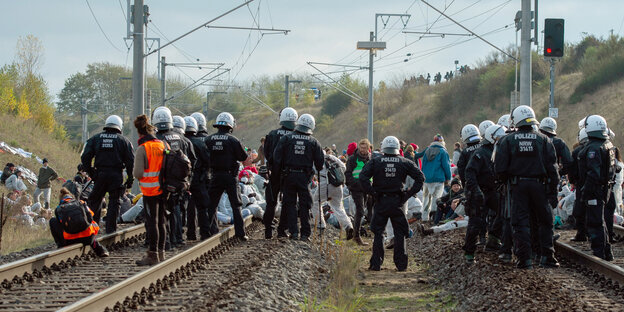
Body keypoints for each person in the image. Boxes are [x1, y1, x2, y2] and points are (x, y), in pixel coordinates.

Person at [494, 105, 559, 269]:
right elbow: (553, 168)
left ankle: (525, 259)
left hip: (518, 186)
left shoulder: (507, 140)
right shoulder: (544, 139)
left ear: (515, 120)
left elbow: (499, 168)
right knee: (545, 221)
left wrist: (506, 182)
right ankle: (547, 257)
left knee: (520, 222)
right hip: (540, 186)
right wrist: (552, 192)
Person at [359, 136, 424, 271]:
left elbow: (362, 177)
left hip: (381, 200)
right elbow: (420, 178)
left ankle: (376, 264)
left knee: (378, 233)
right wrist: (407, 195)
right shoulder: (404, 162)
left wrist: (373, 192)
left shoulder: (375, 161)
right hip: (397, 201)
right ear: (398, 148)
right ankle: (401, 265)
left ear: (383, 148)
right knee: (399, 233)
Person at [273, 114, 324, 241]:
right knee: (305, 204)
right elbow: (319, 163)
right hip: (304, 177)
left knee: (290, 204)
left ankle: (293, 232)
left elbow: (276, 158)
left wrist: (278, 174)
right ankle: (305, 234)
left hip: (288, 175)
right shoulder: (313, 142)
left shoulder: (286, 138)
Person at [81, 115, 135, 234]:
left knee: (95, 200)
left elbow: (85, 156)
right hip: (116, 175)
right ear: (119, 127)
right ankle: (111, 230)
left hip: (100, 174)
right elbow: (131, 161)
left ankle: (92, 228)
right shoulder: (124, 141)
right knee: (114, 202)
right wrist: (130, 179)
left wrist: (91, 172)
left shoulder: (95, 139)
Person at [153, 107, 195, 248]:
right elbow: (192, 160)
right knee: (176, 208)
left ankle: (163, 241)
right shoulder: (183, 139)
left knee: (161, 210)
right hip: (179, 182)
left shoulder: (156, 139)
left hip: (161, 181)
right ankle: (177, 238)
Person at [463, 124, 506, 263]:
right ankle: (469, 253)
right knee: (475, 223)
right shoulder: (480, 153)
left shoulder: (497, 151)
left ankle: (493, 238)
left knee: (504, 213)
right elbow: (470, 173)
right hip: (479, 192)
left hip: (493, 191)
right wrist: (475, 191)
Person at [205, 112, 250, 240]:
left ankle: (211, 231)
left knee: (212, 205)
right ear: (230, 126)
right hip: (230, 176)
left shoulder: (208, 140)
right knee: (236, 205)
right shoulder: (233, 140)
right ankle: (240, 234)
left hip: (215, 175)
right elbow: (244, 158)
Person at [578, 115, 616, 261]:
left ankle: (599, 252)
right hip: (605, 188)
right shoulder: (607, 144)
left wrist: (586, 191)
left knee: (595, 221)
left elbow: (593, 173)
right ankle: (606, 250)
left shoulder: (594, 148)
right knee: (600, 220)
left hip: (595, 190)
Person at [133, 114, 167, 265]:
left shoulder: (143, 148)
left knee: (152, 222)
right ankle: (161, 253)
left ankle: (152, 255)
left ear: (140, 133)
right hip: (164, 189)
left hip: (149, 190)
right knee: (162, 221)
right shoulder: (163, 145)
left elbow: (138, 173)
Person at [262, 107, 298, 239]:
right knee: (288, 202)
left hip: (274, 173)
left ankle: (268, 230)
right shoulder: (296, 135)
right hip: (290, 174)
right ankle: (282, 230)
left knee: (271, 202)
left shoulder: (272, 134)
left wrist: (272, 166)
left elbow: (267, 152)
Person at [49, 188, 109, 257]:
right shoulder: (82, 203)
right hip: (88, 238)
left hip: (69, 240)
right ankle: (100, 250)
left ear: (61, 200)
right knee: (90, 226)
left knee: (52, 221)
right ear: (72, 197)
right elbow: (90, 218)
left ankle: (60, 245)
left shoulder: (59, 209)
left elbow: (62, 225)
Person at [311, 152, 354, 239]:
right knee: (338, 207)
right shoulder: (332, 158)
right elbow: (343, 167)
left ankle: (320, 224)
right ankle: (348, 226)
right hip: (338, 185)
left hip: (324, 184)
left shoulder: (316, 160)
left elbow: (312, 171)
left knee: (315, 202)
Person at [184, 116, 211, 241]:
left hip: (184, 179)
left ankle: (190, 234)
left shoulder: (181, 141)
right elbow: (207, 161)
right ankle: (205, 234)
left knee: (188, 207)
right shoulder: (201, 143)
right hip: (199, 179)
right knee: (202, 207)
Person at [416, 134, 452, 222]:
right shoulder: (443, 152)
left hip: (427, 179)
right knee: (436, 198)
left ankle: (424, 217)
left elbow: (423, 166)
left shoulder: (427, 150)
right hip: (438, 179)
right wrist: (449, 178)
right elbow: (446, 166)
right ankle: (434, 217)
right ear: (442, 142)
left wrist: (423, 177)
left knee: (426, 198)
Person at [345, 138, 374, 246]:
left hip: (367, 187)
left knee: (362, 210)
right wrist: (354, 184)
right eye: (361, 147)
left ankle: (356, 233)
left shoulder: (371, 159)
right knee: (360, 210)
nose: (363, 150)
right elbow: (348, 174)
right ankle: (356, 236)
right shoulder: (353, 159)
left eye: (365, 148)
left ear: (368, 148)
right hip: (356, 188)